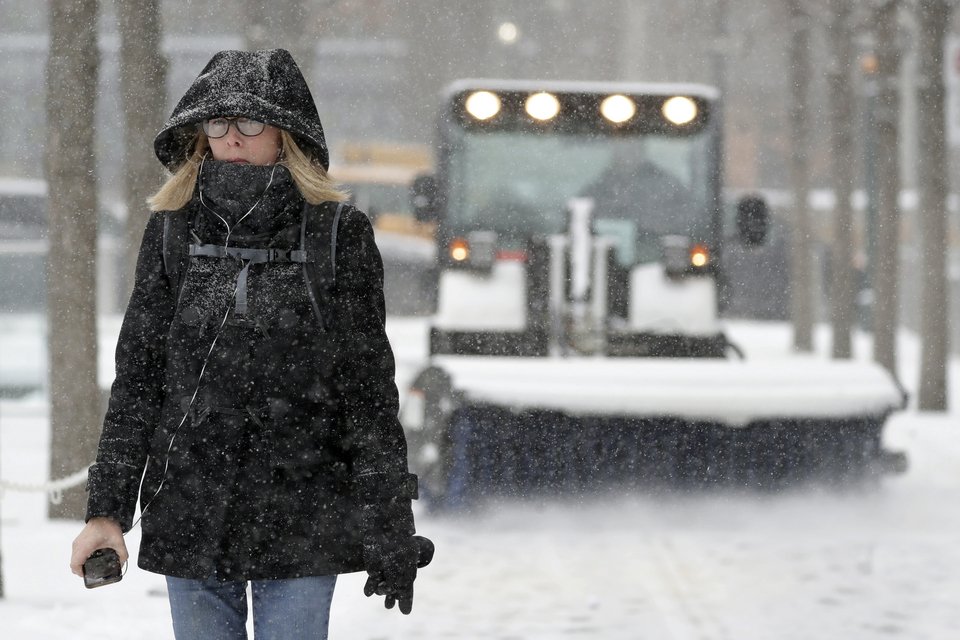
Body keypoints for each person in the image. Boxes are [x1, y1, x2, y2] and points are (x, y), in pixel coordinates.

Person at [69, 48, 431, 639]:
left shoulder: (337, 234)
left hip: (304, 508)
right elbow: (138, 380)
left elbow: (367, 392)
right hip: (189, 506)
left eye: (250, 122)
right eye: (217, 122)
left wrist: (390, 520)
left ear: (286, 133)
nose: (232, 137)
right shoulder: (173, 229)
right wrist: (106, 511)